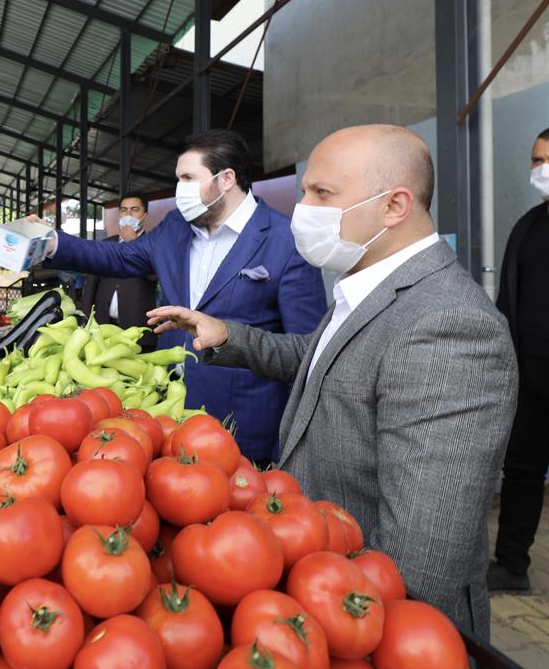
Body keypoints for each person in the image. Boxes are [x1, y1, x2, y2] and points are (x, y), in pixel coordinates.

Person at [146, 124, 518, 636]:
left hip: (368, 629)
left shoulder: (449, 326)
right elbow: (321, 358)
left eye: (323, 193)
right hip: (322, 596)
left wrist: (351, 642)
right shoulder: (364, 286)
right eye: (305, 191)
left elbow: (424, 559)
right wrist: (227, 335)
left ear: (394, 207)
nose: (304, 209)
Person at [40, 129, 327, 463]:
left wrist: (294, 447)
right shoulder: (176, 227)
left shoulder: (284, 241)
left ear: (226, 179)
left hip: (242, 427)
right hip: (169, 415)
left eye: (189, 178)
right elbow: (117, 258)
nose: (180, 190)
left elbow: (305, 353)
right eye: (178, 179)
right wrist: (51, 243)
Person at [489, 127, 549, 594]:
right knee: (522, 473)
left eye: (547, 159)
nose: (540, 169)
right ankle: (511, 566)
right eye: (535, 159)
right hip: (529, 378)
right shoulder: (528, 226)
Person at [78, 196, 157, 349]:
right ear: (119, 214)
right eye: (124, 210)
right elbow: (91, 283)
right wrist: (84, 318)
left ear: (144, 215)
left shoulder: (154, 245)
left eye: (135, 210)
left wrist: (134, 244)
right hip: (102, 326)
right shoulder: (106, 245)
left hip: (137, 329)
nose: (128, 215)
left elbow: (154, 275)